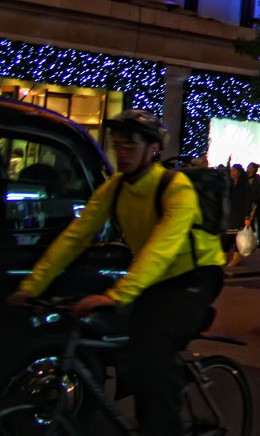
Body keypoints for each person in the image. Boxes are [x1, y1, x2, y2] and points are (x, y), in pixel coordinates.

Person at [6, 110, 224, 435]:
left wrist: (116, 295)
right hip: (155, 277)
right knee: (137, 354)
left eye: (130, 145)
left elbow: (161, 248)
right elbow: (75, 236)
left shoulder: (175, 188)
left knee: (151, 345)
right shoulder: (116, 188)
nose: (121, 152)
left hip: (194, 277)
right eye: (118, 145)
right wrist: (34, 285)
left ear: (153, 149)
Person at [224, 164, 252, 270]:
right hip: (230, 214)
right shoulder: (230, 184)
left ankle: (236, 258)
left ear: (239, 173)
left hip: (239, 215)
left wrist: (247, 217)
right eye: (231, 171)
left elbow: (247, 201)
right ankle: (224, 256)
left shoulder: (244, 186)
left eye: (234, 171)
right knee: (226, 237)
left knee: (238, 237)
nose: (232, 173)